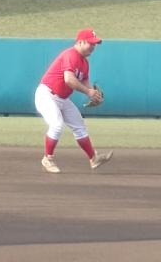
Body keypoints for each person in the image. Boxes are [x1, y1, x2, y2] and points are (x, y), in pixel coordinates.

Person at [34, 28, 110, 174]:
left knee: (79, 126)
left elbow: (85, 81)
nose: (93, 47)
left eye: (95, 44)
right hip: (46, 95)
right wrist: (88, 91)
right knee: (57, 125)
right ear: (80, 42)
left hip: (62, 99)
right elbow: (69, 80)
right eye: (90, 43)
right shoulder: (71, 55)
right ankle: (47, 158)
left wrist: (93, 95)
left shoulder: (84, 62)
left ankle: (93, 158)